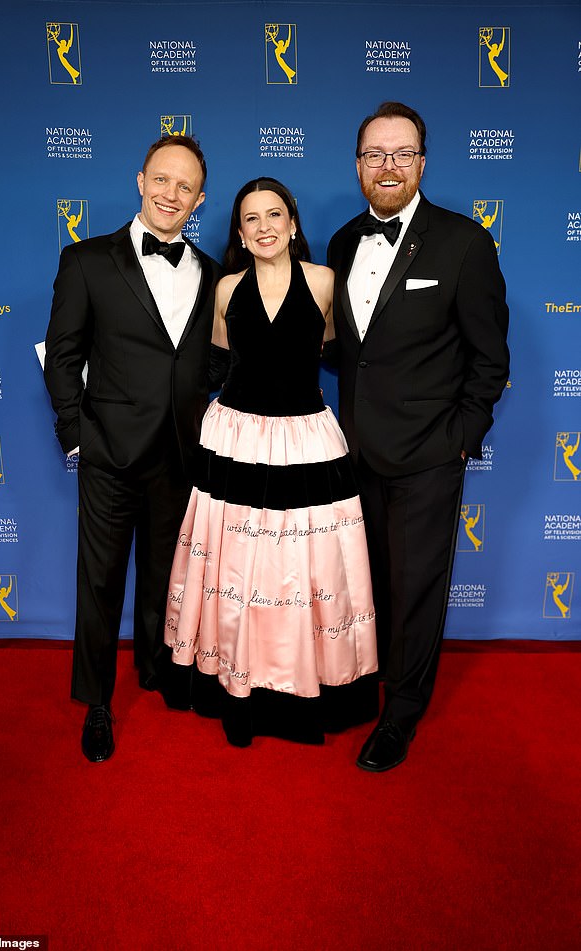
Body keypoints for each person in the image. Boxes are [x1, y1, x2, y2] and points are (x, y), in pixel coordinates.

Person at [159, 177, 378, 747]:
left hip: (307, 438)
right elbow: (214, 362)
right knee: (238, 571)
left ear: (293, 223)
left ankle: (305, 683)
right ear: (239, 232)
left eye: (273, 215)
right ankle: (234, 683)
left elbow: (334, 349)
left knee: (306, 571)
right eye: (251, 219)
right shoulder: (227, 290)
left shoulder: (326, 283)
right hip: (237, 439)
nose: (264, 227)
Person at [328, 102, 509, 772]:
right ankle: (363, 687)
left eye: (402, 153)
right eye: (375, 154)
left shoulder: (464, 243)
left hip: (430, 453)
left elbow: (490, 358)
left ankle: (400, 716)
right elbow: (350, 347)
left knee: (416, 590)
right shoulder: (344, 241)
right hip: (355, 453)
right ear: (357, 165)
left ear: (423, 163)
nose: (388, 166)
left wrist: (462, 436)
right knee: (367, 585)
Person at [44, 136, 221, 762]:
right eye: (162, 180)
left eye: (186, 187)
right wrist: (78, 437)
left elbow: (211, 366)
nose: (171, 194)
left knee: (165, 578)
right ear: (139, 180)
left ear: (199, 200)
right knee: (99, 581)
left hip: (180, 454)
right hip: (109, 454)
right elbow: (62, 357)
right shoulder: (88, 260)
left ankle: (155, 669)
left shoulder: (214, 274)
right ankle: (96, 702)